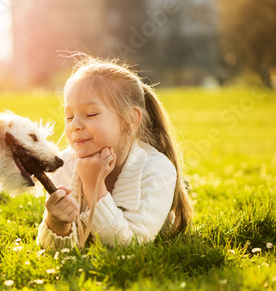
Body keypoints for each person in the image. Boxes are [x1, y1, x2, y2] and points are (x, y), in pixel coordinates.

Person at [37, 55, 193, 250]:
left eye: (91, 114)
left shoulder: (157, 170)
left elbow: (130, 246)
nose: (75, 125)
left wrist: (94, 186)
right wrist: (57, 222)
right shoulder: (65, 165)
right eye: (69, 117)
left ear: (130, 120)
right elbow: (53, 250)